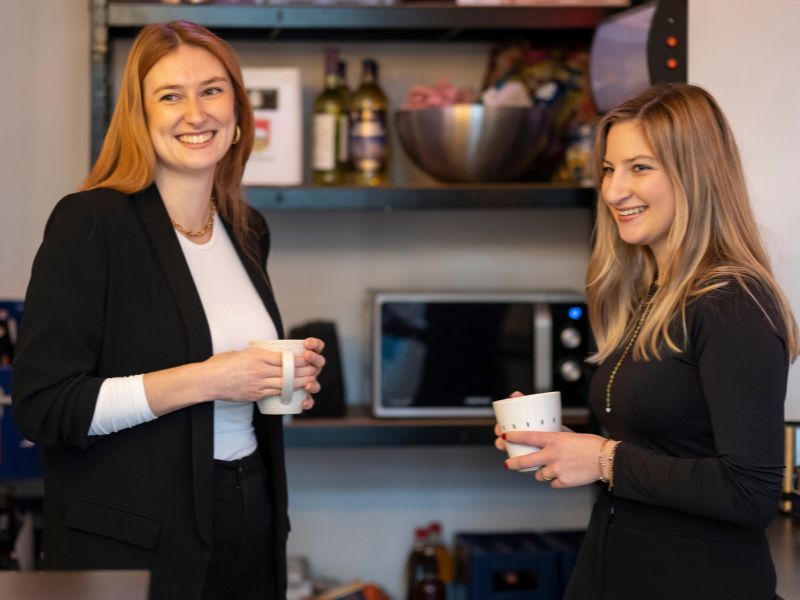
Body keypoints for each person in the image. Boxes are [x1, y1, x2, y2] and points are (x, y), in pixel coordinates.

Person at [11, 21, 325, 600]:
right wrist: (209, 378)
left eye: (211, 90)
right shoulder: (91, 224)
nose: (195, 113)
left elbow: (239, 388)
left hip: (249, 514)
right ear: (140, 115)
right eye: (170, 95)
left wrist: (280, 381)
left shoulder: (247, 229)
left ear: (236, 112)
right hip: (133, 538)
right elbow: (44, 408)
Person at [496, 83, 799, 599]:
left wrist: (602, 459)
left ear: (695, 175)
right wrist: (563, 447)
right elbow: (660, 449)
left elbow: (750, 491)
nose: (614, 191)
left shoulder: (732, 301)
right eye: (610, 169)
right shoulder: (651, 293)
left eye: (640, 167)